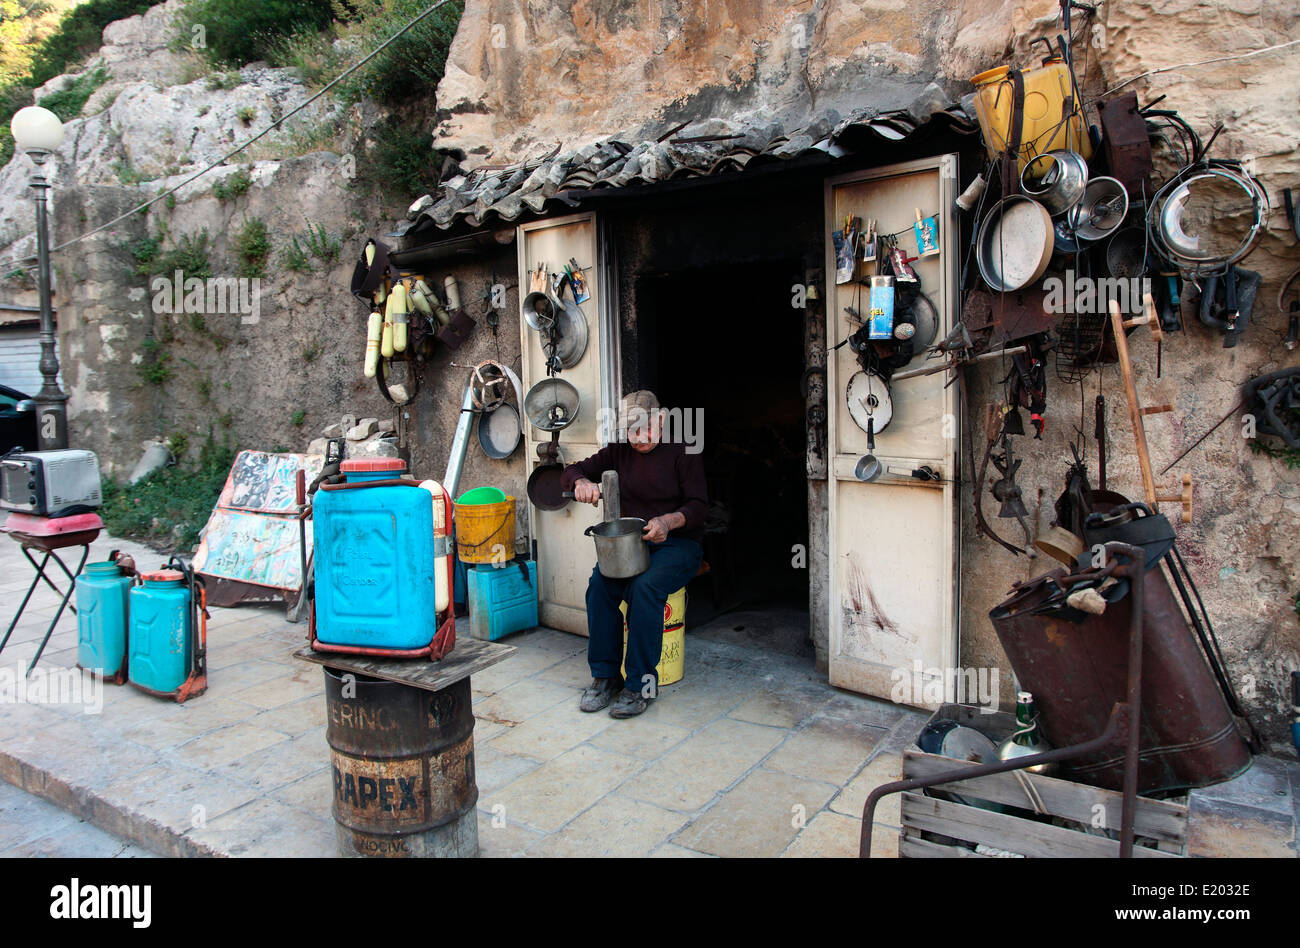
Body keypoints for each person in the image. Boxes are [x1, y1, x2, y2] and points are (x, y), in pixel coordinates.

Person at [560, 391, 707, 718]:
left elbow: (698, 507)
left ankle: (640, 685)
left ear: (662, 419)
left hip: (678, 545)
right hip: (632, 546)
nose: (639, 438)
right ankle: (605, 677)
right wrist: (581, 481)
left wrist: (668, 522)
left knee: (645, 588)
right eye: (631, 430)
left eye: (646, 428)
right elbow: (570, 471)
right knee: (599, 587)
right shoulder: (618, 453)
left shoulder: (684, 450)